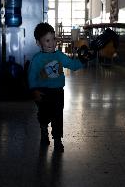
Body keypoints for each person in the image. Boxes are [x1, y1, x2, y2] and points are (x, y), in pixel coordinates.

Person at [28, 22, 85, 152]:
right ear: (38, 43)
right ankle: (43, 130)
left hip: (58, 92)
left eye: (53, 39)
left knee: (57, 116)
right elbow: (32, 77)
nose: (52, 43)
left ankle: (57, 140)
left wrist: (82, 60)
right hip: (42, 93)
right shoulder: (37, 59)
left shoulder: (59, 55)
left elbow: (71, 64)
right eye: (47, 40)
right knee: (44, 115)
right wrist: (34, 91)